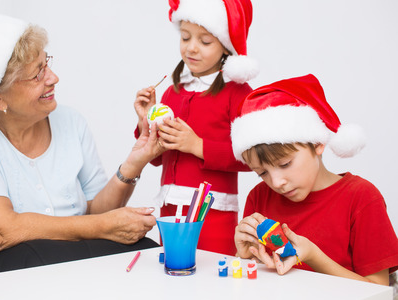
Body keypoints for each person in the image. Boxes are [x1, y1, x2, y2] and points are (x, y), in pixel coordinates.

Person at [0, 14, 162, 280]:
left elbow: (98, 214)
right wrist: (101, 226)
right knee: (40, 260)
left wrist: (134, 162)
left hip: (61, 251)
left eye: (46, 63)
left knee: (145, 252)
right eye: (37, 74)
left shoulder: (70, 121)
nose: (53, 78)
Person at [231, 74, 398, 285]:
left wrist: (313, 257)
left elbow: (379, 291)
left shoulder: (362, 198)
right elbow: (250, 284)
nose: (276, 182)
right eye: (262, 173)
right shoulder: (259, 196)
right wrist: (243, 256)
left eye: (284, 164)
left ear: (318, 143)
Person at [133, 0, 258, 255]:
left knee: (211, 281)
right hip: (170, 212)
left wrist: (197, 146)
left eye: (205, 41)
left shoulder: (238, 93)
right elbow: (157, 160)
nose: (191, 48)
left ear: (225, 45)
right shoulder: (172, 91)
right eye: (185, 37)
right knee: (173, 277)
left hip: (213, 214)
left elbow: (253, 158)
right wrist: (146, 122)